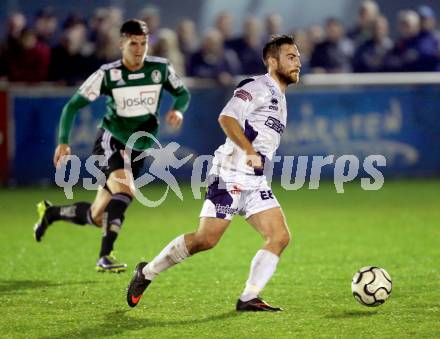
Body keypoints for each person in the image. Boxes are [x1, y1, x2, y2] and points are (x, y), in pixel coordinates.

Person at [127, 35, 301, 311]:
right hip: (231, 173)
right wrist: (248, 151)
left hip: (254, 181)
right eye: (291, 57)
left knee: (279, 236)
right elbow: (227, 117)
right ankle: (146, 272)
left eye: (298, 57)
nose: (297, 63)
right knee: (205, 240)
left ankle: (248, 297)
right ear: (272, 61)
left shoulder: (279, 97)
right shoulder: (257, 87)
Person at [33, 19, 191, 272]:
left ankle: (51, 214)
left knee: (97, 216)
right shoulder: (108, 74)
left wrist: (178, 110)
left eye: (143, 43)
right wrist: (63, 141)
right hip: (112, 140)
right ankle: (104, 256)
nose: (139, 49)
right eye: (133, 44)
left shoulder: (160, 69)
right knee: (126, 191)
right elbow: (72, 106)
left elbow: (183, 93)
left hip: (139, 147)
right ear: (121, 44)